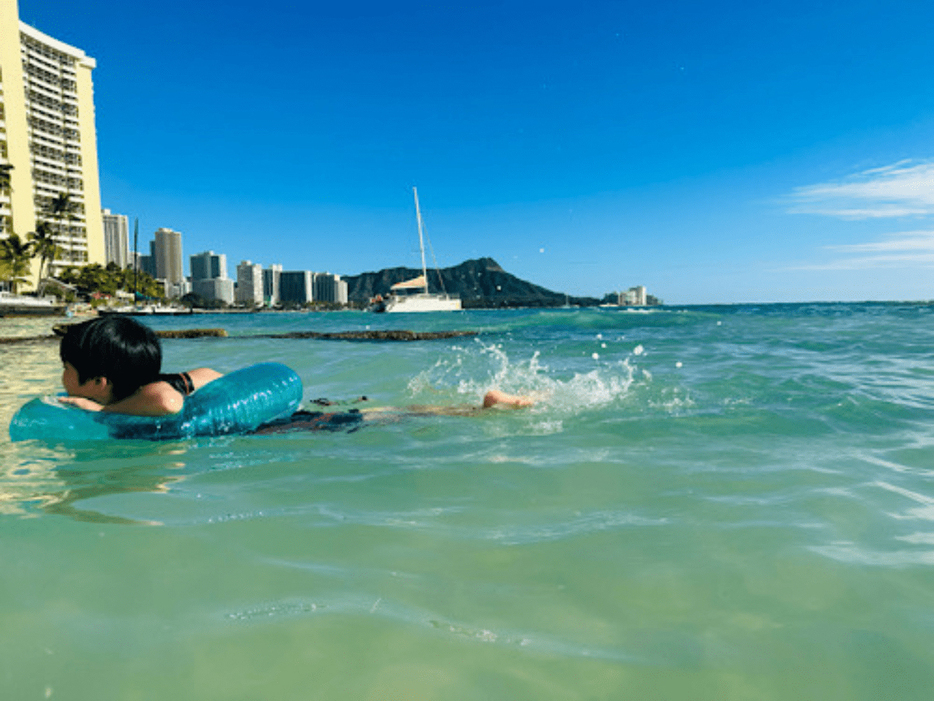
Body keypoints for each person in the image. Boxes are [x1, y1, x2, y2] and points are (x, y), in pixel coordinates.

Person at [57, 316, 531, 424]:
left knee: (385, 416)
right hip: (286, 411)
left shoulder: (142, 399)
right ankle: (473, 407)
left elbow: (167, 402)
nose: (62, 378)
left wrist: (94, 412)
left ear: (98, 380)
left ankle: (479, 411)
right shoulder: (158, 381)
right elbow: (202, 374)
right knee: (380, 410)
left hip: (285, 430)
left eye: (68, 370)